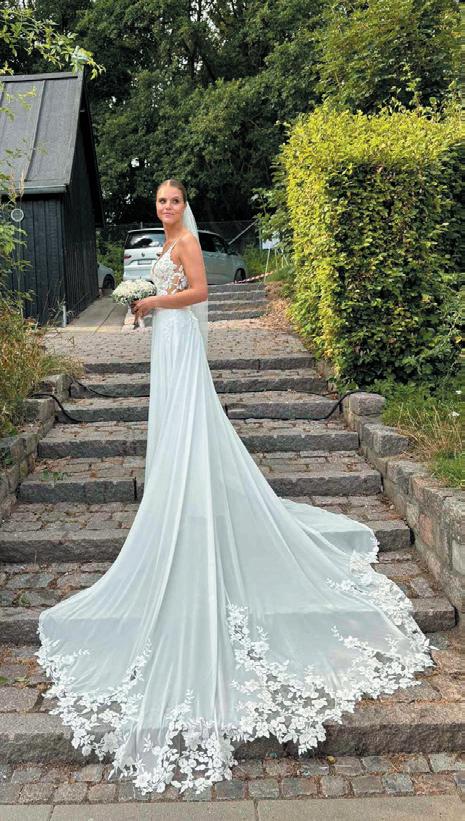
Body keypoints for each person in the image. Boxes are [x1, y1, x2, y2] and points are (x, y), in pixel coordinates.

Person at [36, 179, 433, 797]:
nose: (166, 207)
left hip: (181, 341)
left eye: (173, 200)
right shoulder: (165, 241)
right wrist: (144, 306)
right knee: (172, 425)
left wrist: (153, 301)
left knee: (192, 421)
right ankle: (178, 488)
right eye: (160, 201)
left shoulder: (189, 242)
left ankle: (193, 490)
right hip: (165, 343)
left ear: (184, 205)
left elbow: (200, 292)